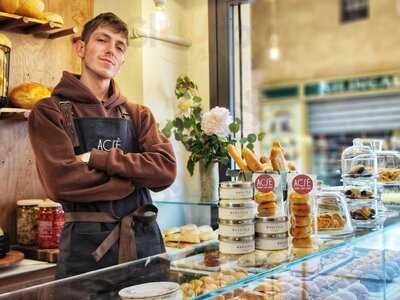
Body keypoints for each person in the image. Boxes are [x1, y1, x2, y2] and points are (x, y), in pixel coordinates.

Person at [28, 12, 177, 278]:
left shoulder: (137, 114)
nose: (111, 50)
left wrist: (97, 159)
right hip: (85, 254)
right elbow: (61, 181)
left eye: (119, 46)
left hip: (145, 246)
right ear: (81, 47)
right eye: (102, 40)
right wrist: (135, 180)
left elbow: (165, 171)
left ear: (122, 60)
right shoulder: (50, 111)